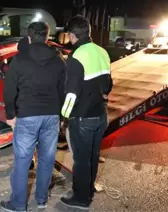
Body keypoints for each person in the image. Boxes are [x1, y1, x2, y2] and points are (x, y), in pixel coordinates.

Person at [1, 22, 65, 212]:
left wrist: (10, 114)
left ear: (29, 37)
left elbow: (9, 90)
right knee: (46, 159)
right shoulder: (58, 60)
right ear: (47, 37)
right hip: (51, 115)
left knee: (22, 161)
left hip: (27, 115)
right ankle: (41, 199)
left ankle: (18, 204)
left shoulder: (19, 60)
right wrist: (61, 115)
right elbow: (63, 90)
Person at [60, 15, 113, 210]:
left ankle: (81, 198)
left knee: (81, 160)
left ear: (72, 36)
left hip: (82, 118)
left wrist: (64, 117)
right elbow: (109, 85)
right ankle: (88, 190)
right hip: (101, 115)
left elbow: (71, 94)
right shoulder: (102, 52)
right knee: (92, 156)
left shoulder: (76, 57)